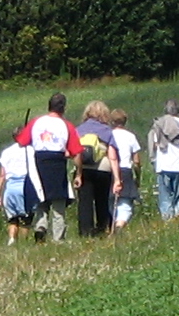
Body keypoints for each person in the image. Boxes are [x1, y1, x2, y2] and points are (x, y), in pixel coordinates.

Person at [20, 92, 79, 242]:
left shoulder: (36, 122)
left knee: (41, 197)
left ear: (49, 105)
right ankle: (58, 238)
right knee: (59, 202)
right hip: (57, 162)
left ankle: (41, 226)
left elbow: (22, 142)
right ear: (63, 108)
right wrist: (79, 173)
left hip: (39, 161)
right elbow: (76, 152)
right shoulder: (67, 125)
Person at [72, 100, 123, 238]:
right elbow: (112, 156)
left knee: (85, 202)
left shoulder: (78, 130)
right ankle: (103, 227)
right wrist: (117, 178)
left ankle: (85, 231)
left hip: (84, 169)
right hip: (103, 169)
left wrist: (78, 172)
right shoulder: (107, 131)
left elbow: (75, 152)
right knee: (103, 199)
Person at [0, 128, 36, 245]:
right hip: (26, 186)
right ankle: (24, 242)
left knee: (13, 219)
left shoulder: (7, 152)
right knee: (26, 218)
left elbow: (2, 174)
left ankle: (12, 239)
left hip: (10, 188)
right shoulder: (32, 151)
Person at [110, 108, 142, 229]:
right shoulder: (130, 136)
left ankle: (112, 223)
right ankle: (120, 223)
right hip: (125, 170)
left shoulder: (109, 135)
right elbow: (137, 161)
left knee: (111, 200)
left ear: (111, 121)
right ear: (125, 122)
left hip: (111, 170)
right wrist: (138, 176)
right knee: (125, 202)